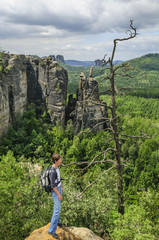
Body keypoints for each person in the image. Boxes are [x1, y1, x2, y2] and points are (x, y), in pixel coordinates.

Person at [48, 153, 63, 239]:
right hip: (56, 191)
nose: (61, 160)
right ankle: (51, 231)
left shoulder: (57, 168)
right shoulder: (52, 171)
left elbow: (58, 179)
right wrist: (58, 194)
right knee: (56, 210)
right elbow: (52, 186)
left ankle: (58, 221)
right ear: (55, 161)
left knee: (58, 207)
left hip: (59, 188)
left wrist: (62, 187)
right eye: (59, 159)